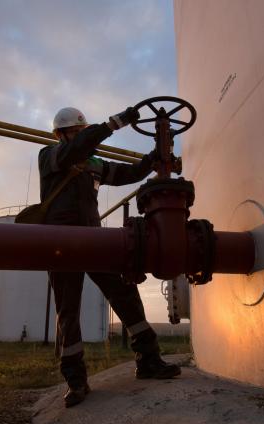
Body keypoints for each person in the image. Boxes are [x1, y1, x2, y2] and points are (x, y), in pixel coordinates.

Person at [38, 106, 181, 408]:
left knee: (125, 293)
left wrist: (152, 158)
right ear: (60, 134)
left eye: (81, 131)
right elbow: (76, 149)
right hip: (61, 243)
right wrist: (114, 124)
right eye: (74, 132)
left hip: (93, 238)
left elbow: (126, 173)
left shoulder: (93, 164)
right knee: (68, 312)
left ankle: (149, 360)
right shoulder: (50, 156)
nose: (78, 136)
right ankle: (76, 381)